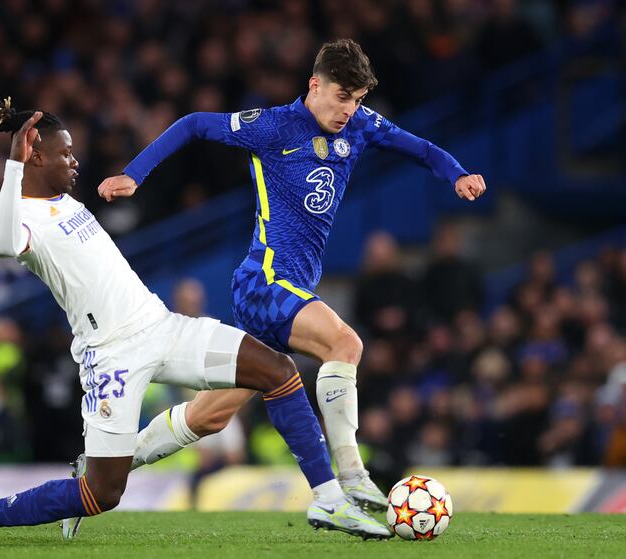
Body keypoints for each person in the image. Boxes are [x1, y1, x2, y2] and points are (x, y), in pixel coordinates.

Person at [0, 80, 391, 544]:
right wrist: (11, 164)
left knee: (277, 370)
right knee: (102, 493)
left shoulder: (63, 202)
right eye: (65, 153)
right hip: (110, 356)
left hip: (161, 326)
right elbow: (3, 244)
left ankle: (328, 497)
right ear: (35, 158)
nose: (75, 160)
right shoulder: (23, 217)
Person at [97, 39, 486, 511]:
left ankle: (104, 468)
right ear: (314, 85)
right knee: (346, 345)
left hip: (291, 288)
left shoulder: (359, 126)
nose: (350, 110)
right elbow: (196, 124)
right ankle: (354, 477)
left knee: (211, 416)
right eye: (343, 97)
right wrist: (135, 175)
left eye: (358, 99)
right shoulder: (274, 126)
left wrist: (457, 173)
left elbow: (421, 148)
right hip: (263, 281)